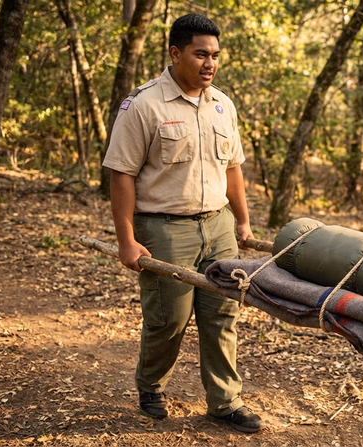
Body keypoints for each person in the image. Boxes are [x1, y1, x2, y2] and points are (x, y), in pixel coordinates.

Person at [102, 13, 264, 433]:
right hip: (164, 228)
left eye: (215, 56)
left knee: (222, 314)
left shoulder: (222, 104)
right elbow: (121, 174)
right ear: (175, 53)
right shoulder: (143, 105)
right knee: (168, 318)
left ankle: (225, 402)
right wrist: (127, 241)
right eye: (200, 54)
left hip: (218, 226)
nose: (209, 64)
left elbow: (233, 169)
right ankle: (151, 385)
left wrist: (242, 222)